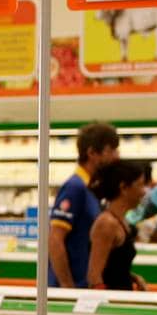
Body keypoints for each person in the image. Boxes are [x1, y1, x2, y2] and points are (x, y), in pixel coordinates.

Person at [48, 121, 122, 289]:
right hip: (73, 290)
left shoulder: (92, 188)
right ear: (92, 153)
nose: (116, 156)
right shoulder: (75, 187)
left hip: (85, 286)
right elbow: (55, 239)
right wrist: (67, 286)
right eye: (111, 151)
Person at [86, 159, 150, 292]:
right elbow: (94, 276)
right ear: (124, 188)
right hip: (112, 304)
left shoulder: (122, 222)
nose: (144, 192)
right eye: (140, 185)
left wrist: (133, 278)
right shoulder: (107, 224)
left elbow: (113, 269)